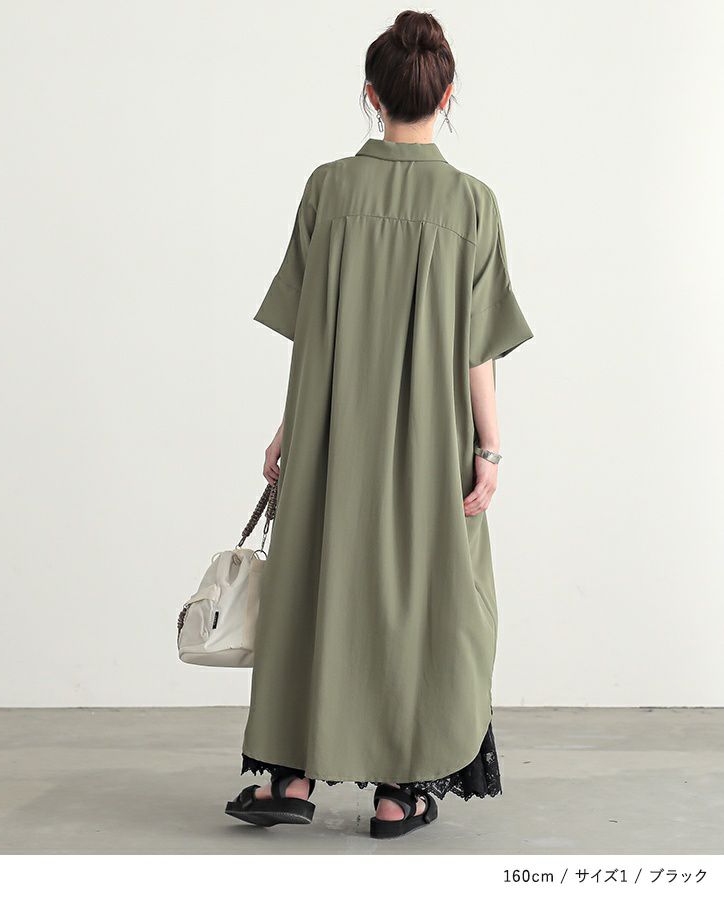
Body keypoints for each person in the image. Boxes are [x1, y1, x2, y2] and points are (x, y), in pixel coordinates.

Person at [225, 10, 533, 840]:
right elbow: (477, 350)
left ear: (370, 94)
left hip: (329, 433)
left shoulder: (328, 189)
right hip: (433, 444)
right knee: (428, 598)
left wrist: (289, 429)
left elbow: (311, 331)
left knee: (315, 587)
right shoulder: (472, 204)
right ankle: (400, 790)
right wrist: (490, 449)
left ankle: (290, 778)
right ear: (448, 94)